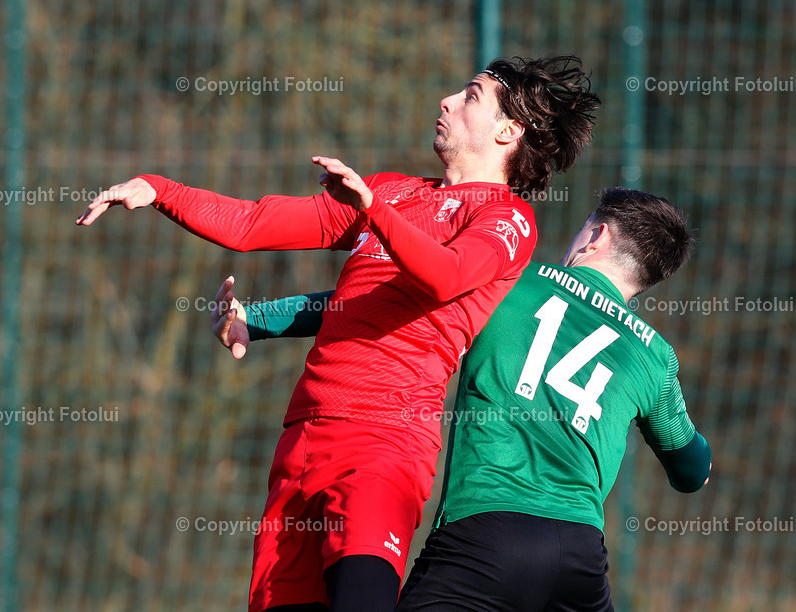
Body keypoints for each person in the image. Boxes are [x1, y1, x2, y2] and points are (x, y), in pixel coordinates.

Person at [76, 56, 600, 612]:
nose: (446, 101)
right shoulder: (392, 191)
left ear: (508, 131)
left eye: (470, 95)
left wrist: (372, 211)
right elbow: (256, 224)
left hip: (384, 444)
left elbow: (445, 277)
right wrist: (158, 189)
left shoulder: (507, 217)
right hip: (301, 439)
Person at [217, 188, 710, 612]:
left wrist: (258, 318)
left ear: (597, 236)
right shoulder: (655, 356)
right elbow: (691, 469)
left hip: (485, 534)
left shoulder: (511, 281)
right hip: (580, 557)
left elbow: (376, 302)